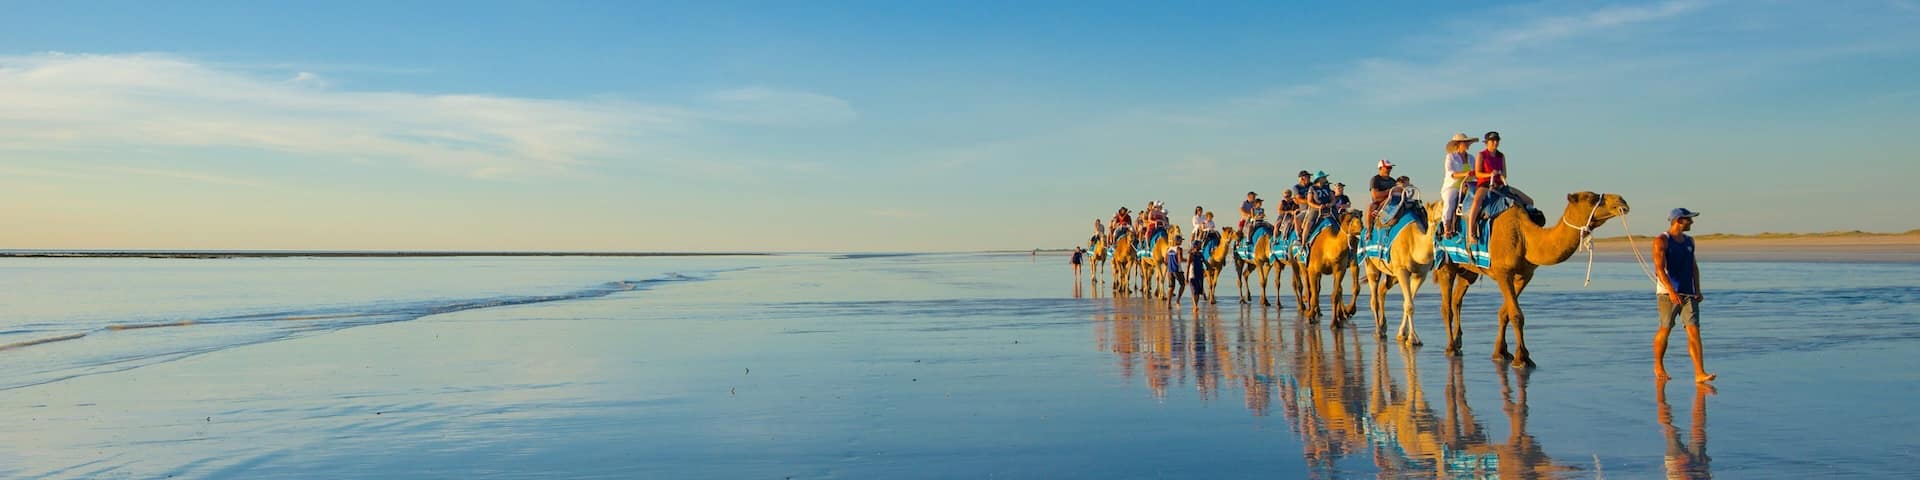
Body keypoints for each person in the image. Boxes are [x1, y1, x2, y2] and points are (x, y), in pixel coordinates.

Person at [1654, 208, 1714, 383]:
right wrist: (1671, 292)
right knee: (1666, 328)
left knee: (1694, 331)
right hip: (1667, 293)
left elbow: (1693, 266)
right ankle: (1658, 366)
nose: (1692, 222)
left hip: (1689, 293)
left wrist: (1698, 289)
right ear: (1679, 220)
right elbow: (1659, 269)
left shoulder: (1689, 241)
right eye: (1689, 219)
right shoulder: (1662, 240)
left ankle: (1699, 373)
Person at [1439, 133, 1477, 239]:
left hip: (1469, 185)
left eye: (1467, 142)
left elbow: (1476, 172)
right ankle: (1447, 226)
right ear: (1458, 144)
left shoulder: (1471, 158)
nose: (1467, 144)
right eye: (1465, 142)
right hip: (1453, 186)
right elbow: (1450, 172)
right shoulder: (1450, 157)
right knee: (1450, 201)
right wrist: (1465, 174)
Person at [1366, 160, 1396, 234]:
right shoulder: (1375, 179)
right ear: (1380, 168)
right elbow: (1375, 196)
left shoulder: (1393, 181)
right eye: (1387, 167)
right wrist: (1390, 191)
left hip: (1393, 203)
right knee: (1371, 207)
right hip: (1378, 204)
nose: (1389, 170)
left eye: (1390, 168)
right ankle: (1369, 231)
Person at [1188, 239, 1208, 304]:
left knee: (1198, 292)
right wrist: (1186, 277)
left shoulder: (1200, 254)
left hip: (1200, 275)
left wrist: (1210, 268)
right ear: (1195, 246)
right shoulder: (1191, 255)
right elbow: (1188, 266)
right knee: (1194, 291)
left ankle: (1195, 305)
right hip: (1193, 275)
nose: (1201, 246)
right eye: (1199, 245)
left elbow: (1205, 262)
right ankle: (1195, 306)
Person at [1166, 239, 1185, 305]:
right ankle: (1178, 300)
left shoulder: (1168, 249)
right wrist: (1188, 260)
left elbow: (1165, 260)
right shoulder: (1179, 249)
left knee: (1171, 287)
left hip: (1170, 270)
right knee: (1183, 284)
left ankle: (1168, 303)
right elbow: (1180, 259)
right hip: (1177, 270)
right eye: (1181, 240)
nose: (1182, 242)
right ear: (1178, 241)